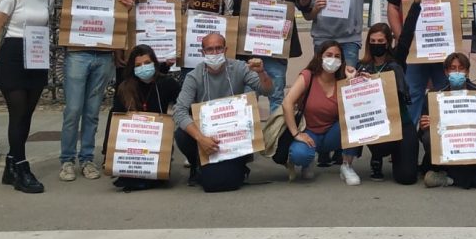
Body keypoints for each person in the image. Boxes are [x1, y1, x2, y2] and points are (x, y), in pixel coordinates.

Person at [60, 0, 134, 183]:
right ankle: (67, 159)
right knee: (73, 109)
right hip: (79, 52)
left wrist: (128, 4)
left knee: (92, 110)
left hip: (103, 55)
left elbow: (115, 14)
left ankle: (87, 159)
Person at [173, 32, 273, 192]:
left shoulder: (240, 68)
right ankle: (196, 163)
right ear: (202, 52)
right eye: (210, 49)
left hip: (234, 133)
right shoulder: (194, 76)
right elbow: (179, 112)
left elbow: (267, 90)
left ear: (225, 50)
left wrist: (261, 72)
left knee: (227, 180)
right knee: (181, 134)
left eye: (218, 48)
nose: (214, 53)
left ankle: (240, 163)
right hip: (206, 134)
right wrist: (201, 138)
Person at [0, 0, 53, 194]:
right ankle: (22, 167)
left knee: (27, 114)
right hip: (14, 53)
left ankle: (11, 164)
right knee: (17, 112)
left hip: (36, 53)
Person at [230, 0, 313, 111]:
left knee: (276, 96)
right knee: (247, 98)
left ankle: (275, 135)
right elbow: (235, 12)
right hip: (249, 51)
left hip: (277, 51)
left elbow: (304, 6)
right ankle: (251, 135)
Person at [355, 0, 424, 184]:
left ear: (388, 42)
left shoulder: (396, 60)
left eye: (381, 41)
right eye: (373, 40)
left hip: (401, 121)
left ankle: (399, 156)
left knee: (407, 177)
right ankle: (377, 156)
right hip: (376, 123)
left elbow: (408, 32)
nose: (377, 44)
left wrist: (417, 4)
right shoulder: (362, 66)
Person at [418, 52, 476, 191]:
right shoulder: (434, 95)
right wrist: (425, 127)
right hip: (450, 145)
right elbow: (421, 134)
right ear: (446, 71)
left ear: (467, 71)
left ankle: (448, 179)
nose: (457, 72)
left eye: (461, 68)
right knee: (428, 138)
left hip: (473, 143)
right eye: (453, 68)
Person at [282, 41, 362, 184]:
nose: (333, 59)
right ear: (320, 57)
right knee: (299, 155)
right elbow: (287, 103)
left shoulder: (342, 80)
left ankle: (347, 166)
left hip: (333, 133)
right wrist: (296, 133)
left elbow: (355, 109)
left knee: (355, 121)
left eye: (337, 56)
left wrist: (351, 82)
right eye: (329, 55)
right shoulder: (308, 76)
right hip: (309, 133)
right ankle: (307, 162)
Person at [108, 44, 181, 191]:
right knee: (130, 178)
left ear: (154, 63)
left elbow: (183, 105)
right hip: (133, 143)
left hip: (157, 141)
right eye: (138, 65)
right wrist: (109, 155)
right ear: (132, 68)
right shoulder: (125, 88)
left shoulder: (167, 83)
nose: (143, 67)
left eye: (147, 63)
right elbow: (116, 120)